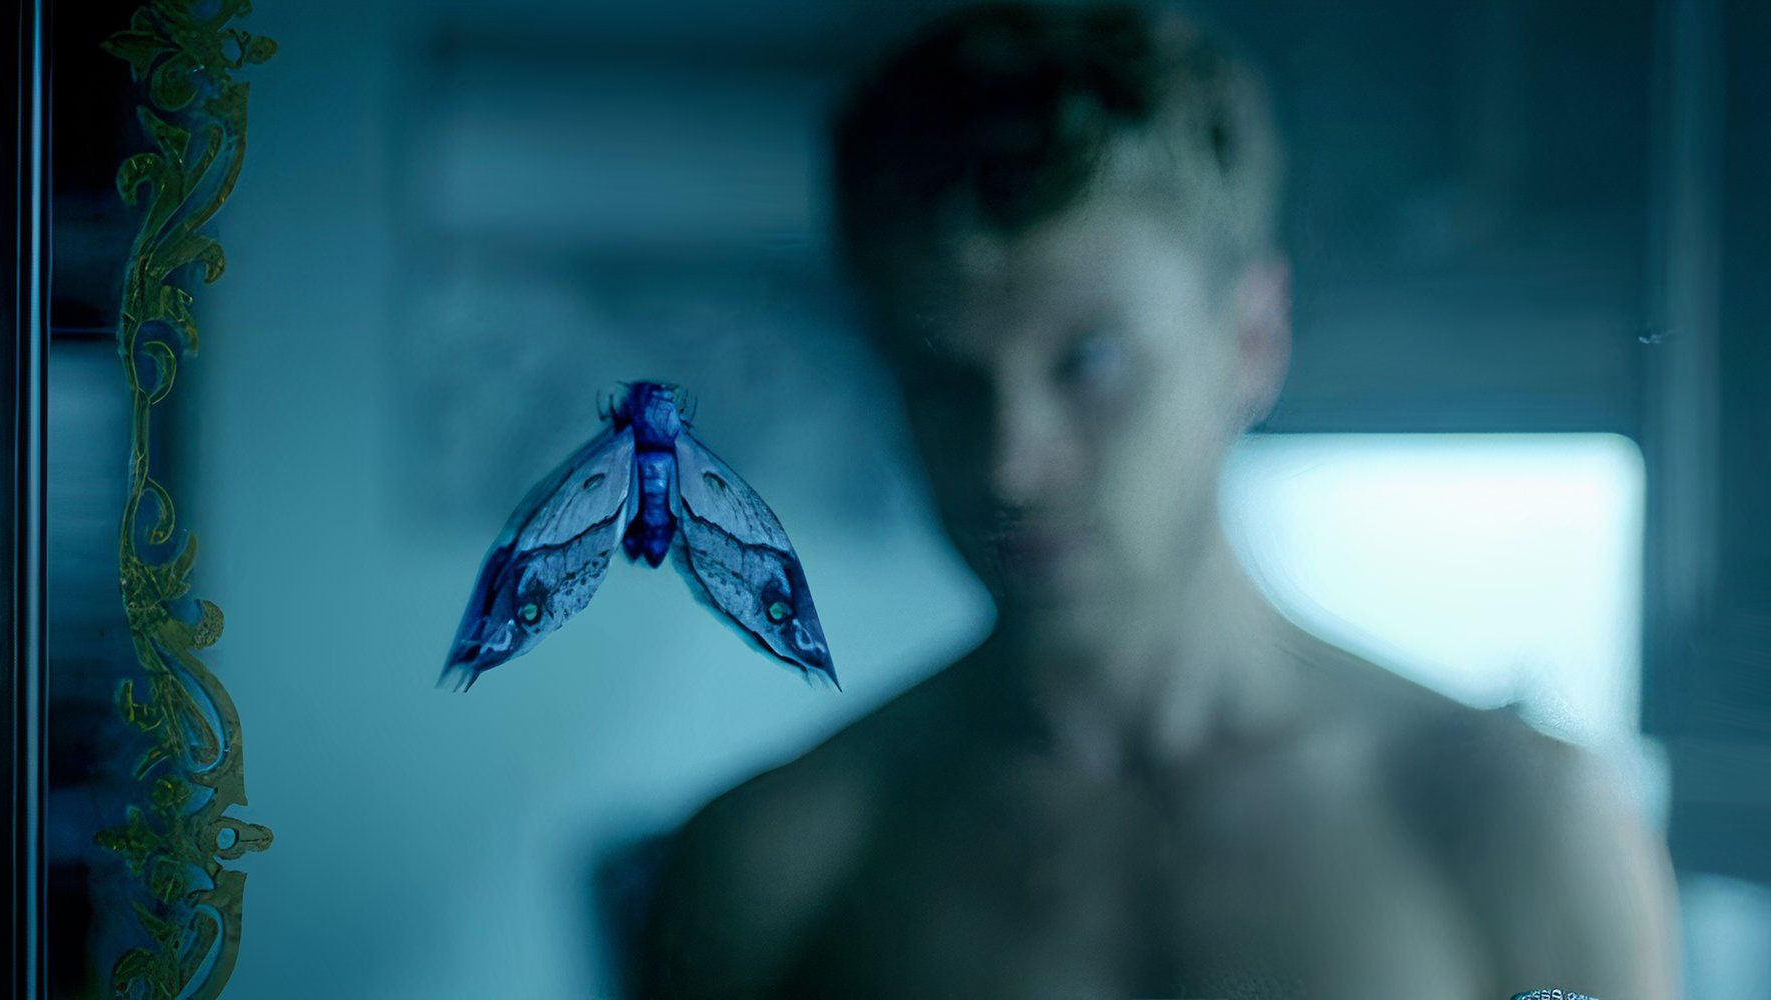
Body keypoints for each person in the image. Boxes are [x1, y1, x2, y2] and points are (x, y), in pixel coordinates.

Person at [631, 4, 1680, 997]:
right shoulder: (775, 867)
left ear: (1249, 338)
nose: (1010, 462)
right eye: (943, 377)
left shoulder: (1510, 830)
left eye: (1087, 363)